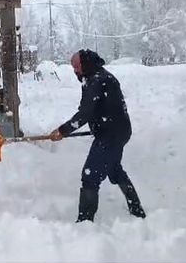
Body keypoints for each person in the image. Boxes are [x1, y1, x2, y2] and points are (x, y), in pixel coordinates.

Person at [49, 49, 146, 223]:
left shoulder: (99, 80)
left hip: (111, 134)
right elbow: (87, 110)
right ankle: (136, 208)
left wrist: (63, 131)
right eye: (73, 68)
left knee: (90, 176)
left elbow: (85, 113)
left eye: (77, 66)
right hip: (116, 131)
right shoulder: (93, 78)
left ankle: (85, 222)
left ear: (85, 63)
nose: (75, 71)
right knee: (114, 170)